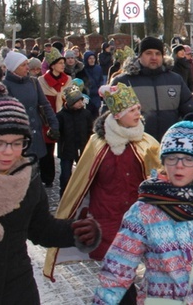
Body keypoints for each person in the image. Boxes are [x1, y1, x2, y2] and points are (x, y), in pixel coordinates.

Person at [93, 120, 193, 304]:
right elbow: (118, 267)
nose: (179, 165)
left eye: (188, 159)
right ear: (163, 161)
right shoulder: (145, 209)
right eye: (172, 157)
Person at [0, 80, 100, 304]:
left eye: (17, 143)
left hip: (17, 289)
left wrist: (76, 231)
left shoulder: (27, 180)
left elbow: (41, 229)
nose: (9, 152)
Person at [43, 83, 161, 293]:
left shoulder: (147, 143)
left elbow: (160, 180)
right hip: (106, 219)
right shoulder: (98, 144)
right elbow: (82, 184)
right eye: (132, 110)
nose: (138, 114)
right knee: (116, 277)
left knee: (136, 273)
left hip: (137, 222)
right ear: (117, 115)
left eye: (137, 109)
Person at [111, 36, 193, 140]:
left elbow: (191, 110)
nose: (154, 57)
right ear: (139, 55)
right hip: (136, 147)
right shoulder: (123, 82)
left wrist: (192, 132)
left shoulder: (175, 80)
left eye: (158, 53)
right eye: (148, 53)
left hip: (170, 147)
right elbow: (110, 117)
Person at [2, 51, 59, 179]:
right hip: (18, 139)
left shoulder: (33, 82)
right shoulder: (4, 86)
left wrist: (54, 124)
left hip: (36, 134)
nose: (27, 68)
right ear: (13, 68)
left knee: (35, 174)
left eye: (27, 64)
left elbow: (45, 104)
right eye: (23, 65)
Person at [38, 47, 72, 188]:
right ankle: (48, 177)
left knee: (65, 148)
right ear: (52, 65)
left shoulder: (68, 79)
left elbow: (70, 98)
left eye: (63, 63)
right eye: (60, 63)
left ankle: (67, 176)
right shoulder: (41, 81)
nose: (63, 65)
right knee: (48, 150)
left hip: (65, 118)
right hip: (48, 120)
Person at [55, 85, 94, 196]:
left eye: (81, 100)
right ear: (71, 102)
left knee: (85, 175)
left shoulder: (86, 114)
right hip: (66, 149)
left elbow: (90, 130)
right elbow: (57, 133)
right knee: (66, 176)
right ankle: (64, 197)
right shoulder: (61, 116)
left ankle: (84, 195)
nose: (81, 103)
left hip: (82, 148)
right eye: (78, 101)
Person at [82, 50, 105, 115]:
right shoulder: (83, 70)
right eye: (90, 58)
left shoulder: (98, 68)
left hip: (97, 95)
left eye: (93, 58)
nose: (92, 60)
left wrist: (101, 88)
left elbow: (101, 79)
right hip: (87, 96)